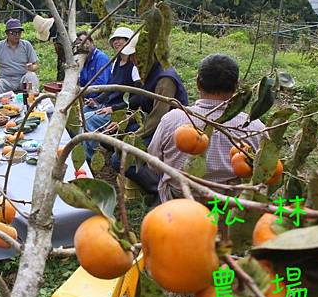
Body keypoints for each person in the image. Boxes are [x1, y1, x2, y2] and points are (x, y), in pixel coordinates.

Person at [148, 54, 266, 202]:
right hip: (227, 205)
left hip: (178, 202)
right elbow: (262, 172)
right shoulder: (254, 127)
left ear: (198, 83)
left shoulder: (173, 120)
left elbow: (154, 164)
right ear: (236, 86)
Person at [81, 27, 142, 160]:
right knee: (81, 111)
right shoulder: (116, 62)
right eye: (114, 39)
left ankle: (89, 158)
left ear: (130, 41)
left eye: (121, 39)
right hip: (109, 106)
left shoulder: (134, 66)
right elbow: (111, 89)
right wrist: (97, 100)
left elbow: (138, 96)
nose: (117, 42)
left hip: (121, 110)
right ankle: (80, 149)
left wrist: (113, 108)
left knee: (88, 120)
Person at [0, 18, 39, 95]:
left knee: (31, 76)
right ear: (7, 33)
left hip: (22, 79)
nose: (17, 35)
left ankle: (32, 101)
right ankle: (1, 105)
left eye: (19, 32)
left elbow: (36, 65)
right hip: (6, 81)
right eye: (13, 33)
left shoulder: (26, 45)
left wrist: (32, 67)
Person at [75, 31, 111, 99]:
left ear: (92, 43)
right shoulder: (83, 59)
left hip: (100, 99)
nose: (84, 47)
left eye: (86, 43)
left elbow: (101, 82)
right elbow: (82, 81)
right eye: (79, 45)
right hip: (86, 97)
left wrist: (83, 93)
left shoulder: (101, 58)